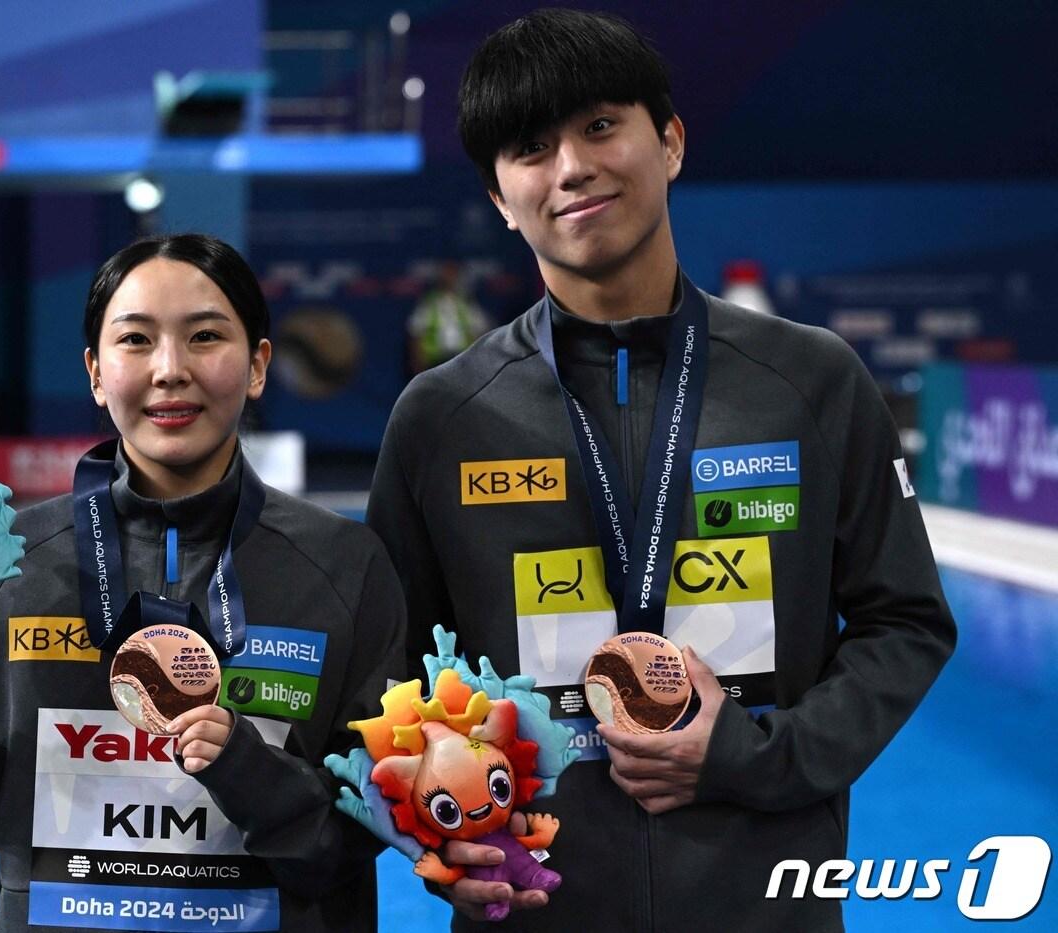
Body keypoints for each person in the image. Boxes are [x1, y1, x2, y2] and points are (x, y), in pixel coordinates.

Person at [366, 9, 955, 931]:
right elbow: (392, 681)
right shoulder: (443, 418)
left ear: (670, 141)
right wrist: (435, 836)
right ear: (498, 196)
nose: (572, 168)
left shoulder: (810, 382)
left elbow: (906, 621)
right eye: (532, 148)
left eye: (601, 126)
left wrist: (763, 754)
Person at [0, 233, 406, 932]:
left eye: (205, 336)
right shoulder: (16, 562)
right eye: (136, 340)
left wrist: (243, 764)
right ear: (96, 373)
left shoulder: (344, 565)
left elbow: (357, 831)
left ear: (257, 366)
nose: (170, 370)